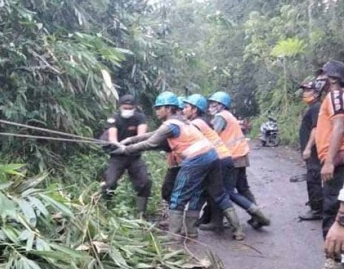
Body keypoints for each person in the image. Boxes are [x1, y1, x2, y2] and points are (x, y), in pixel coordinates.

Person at [112, 91, 218, 239]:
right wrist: (130, 139)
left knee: (178, 195)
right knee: (196, 193)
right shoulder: (180, 120)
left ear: (168, 109)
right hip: (210, 155)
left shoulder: (170, 125)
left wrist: (126, 149)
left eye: (159, 108)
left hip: (196, 158)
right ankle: (191, 231)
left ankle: (173, 234)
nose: (156, 111)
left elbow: (151, 143)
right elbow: (154, 134)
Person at [302, 61, 344, 269]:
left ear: (333, 78)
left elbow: (339, 126)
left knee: (333, 213)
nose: (319, 81)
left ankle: (332, 267)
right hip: (337, 159)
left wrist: (328, 162)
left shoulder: (336, 96)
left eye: (324, 77)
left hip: (337, 161)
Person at [182, 94, 245, 240]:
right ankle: (238, 230)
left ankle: (191, 230)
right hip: (223, 158)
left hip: (214, 160)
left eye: (186, 107)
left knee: (200, 193)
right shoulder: (205, 122)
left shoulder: (196, 124)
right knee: (220, 194)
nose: (183, 110)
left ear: (195, 109)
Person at [208, 91, 270, 229]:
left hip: (231, 157)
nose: (211, 106)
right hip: (241, 155)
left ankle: (257, 216)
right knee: (243, 188)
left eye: (214, 103)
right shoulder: (229, 116)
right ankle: (257, 216)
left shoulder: (220, 117)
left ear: (221, 105)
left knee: (227, 191)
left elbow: (212, 136)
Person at [101, 94, 152, 217]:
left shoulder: (140, 118)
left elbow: (141, 137)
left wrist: (129, 145)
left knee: (145, 182)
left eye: (130, 108)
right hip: (118, 156)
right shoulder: (114, 119)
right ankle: (107, 209)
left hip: (134, 156)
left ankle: (141, 213)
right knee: (109, 183)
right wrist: (120, 146)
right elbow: (112, 138)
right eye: (125, 108)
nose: (127, 110)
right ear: (120, 107)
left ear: (134, 107)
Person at [298, 79, 323, 220]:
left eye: (308, 90)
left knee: (313, 179)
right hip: (313, 151)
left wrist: (308, 148)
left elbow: (316, 128)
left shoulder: (316, 107)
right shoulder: (314, 107)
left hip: (314, 151)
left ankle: (317, 210)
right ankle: (317, 205)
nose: (305, 93)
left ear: (317, 92)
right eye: (304, 90)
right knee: (313, 177)